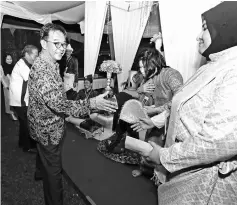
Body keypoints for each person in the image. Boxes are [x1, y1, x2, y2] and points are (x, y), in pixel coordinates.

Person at [131, 2, 237, 204]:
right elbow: (178, 107)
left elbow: (217, 141)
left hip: (206, 181)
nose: (198, 36)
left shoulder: (233, 71)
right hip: (183, 162)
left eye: (205, 28)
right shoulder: (214, 65)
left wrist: (164, 157)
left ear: (227, 26)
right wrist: (153, 122)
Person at [27, 23, 117, 205]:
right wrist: (93, 103)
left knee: (46, 163)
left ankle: (40, 171)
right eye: (56, 43)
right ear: (44, 44)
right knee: (54, 176)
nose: (62, 48)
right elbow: (59, 105)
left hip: (43, 125)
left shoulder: (49, 62)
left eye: (63, 44)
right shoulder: (44, 70)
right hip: (48, 131)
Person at [9, 45, 39, 152]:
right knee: (27, 123)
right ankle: (29, 146)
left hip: (19, 100)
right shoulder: (22, 66)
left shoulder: (25, 64)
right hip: (20, 101)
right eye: (35, 55)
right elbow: (33, 80)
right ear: (26, 54)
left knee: (23, 123)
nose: (36, 58)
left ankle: (22, 143)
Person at [1, 53, 17, 120]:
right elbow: (5, 76)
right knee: (7, 98)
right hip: (7, 84)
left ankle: (13, 111)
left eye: (10, 59)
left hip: (13, 84)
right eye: (7, 59)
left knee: (13, 98)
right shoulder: (3, 66)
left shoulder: (13, 66)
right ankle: (8, 111)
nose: (9, 60)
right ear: (5, 60)